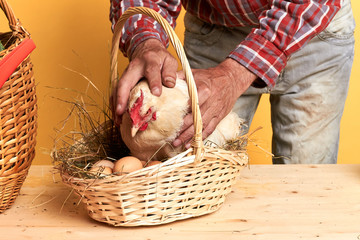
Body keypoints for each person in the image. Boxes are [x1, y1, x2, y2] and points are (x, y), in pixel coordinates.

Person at [109, 0, 355, 164]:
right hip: (216, 28)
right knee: (195, 177)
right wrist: (145, 40)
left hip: (312, 27)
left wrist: (233, 75)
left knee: (307, 179)